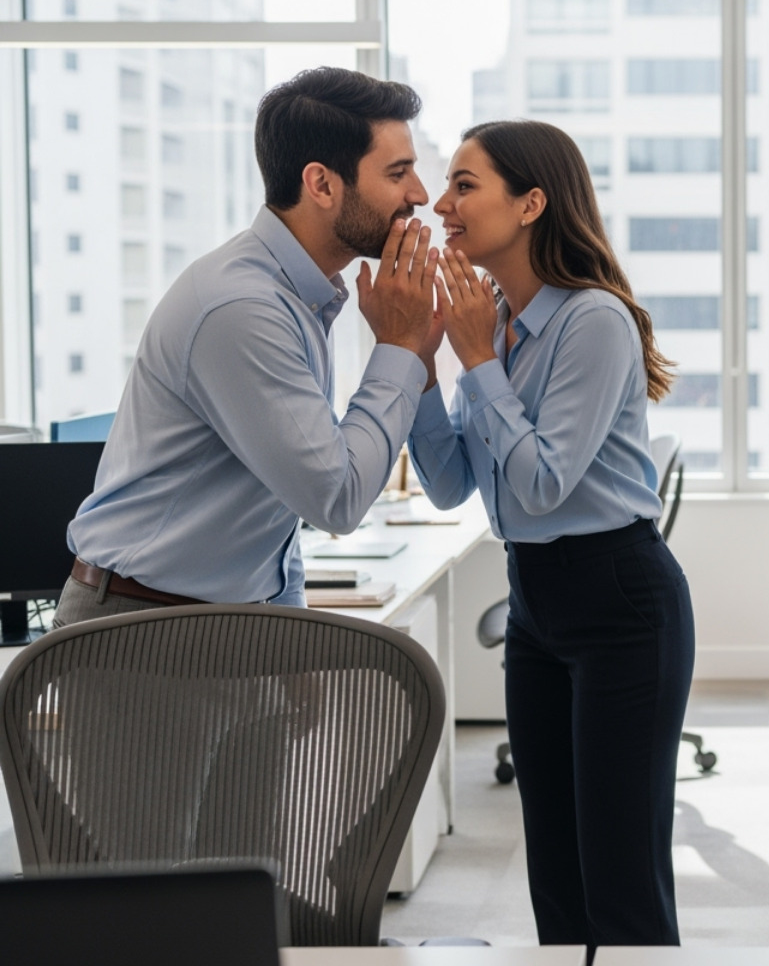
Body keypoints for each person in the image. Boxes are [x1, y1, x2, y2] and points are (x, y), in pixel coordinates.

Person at [409, 120, 693, 950]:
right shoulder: (489, 319)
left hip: (619, 599)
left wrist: (475, 358)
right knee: (557, 872)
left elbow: (540, 481)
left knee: (622, 875)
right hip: (535, 599)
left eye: (464, 184)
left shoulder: (593, 321)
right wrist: (425, 366)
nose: (439, 202)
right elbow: (453, 482)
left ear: (532, 203)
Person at [59, 67, 439, 625]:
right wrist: (400, 345)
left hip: (227, 617)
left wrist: (290, 626)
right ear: (323, 184)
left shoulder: (300, 295)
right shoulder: (242, 308)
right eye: (398, 172)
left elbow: (270, 508)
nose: (420, 195)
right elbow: (336, 498)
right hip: (139, 626)